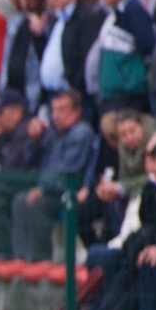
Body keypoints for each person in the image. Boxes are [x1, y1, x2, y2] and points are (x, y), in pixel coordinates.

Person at [83, 130, 156, 310]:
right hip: (150, 246)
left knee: (145, 256)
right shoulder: (150, 190)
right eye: (154, 160)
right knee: (125, 255)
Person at [12, 89, 98, 260]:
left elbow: (68, 172)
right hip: (47, 189)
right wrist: (34, 139)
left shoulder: (81, 133)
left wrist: (42, 188)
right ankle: (21, 259)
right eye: (54, 109)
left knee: (36, 204)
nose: (56, 115)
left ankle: (39, 260)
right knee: (20, 201)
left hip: (69, 193)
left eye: (62, 110)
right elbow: (28, 160)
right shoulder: (51, 132)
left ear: (76, 111)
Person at [0, 89, 44, 257]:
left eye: (1, 113)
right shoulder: (4, 133)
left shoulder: (28, 128)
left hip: (30, 181)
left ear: (17, 111)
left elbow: (13, 166)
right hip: (10, 182)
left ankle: (0, 253)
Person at [35, 0, 106, 112]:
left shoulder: (86, 18)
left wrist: (74, 88)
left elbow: (87, 58)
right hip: (51, 94)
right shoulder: (54, 19)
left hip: (74, 98)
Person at [96, 0, 156, 115]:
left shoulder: (134, 11)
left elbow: (149, 48)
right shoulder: (114, 12)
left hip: (128, 97)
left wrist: (132, 80)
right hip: (115, 95)